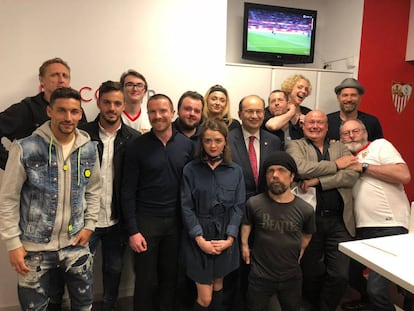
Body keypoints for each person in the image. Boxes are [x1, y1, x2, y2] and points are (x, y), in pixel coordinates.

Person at [0, 87, 101, 310]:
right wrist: (13, 243)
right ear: (49, 111)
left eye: (74, 112)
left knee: (84, 305)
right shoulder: (25, 148)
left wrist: (90, 225)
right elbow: (8, 198)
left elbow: (94, 190)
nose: (68, 117)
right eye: (61, 110)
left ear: (80, 114)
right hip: (33, 248)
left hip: (76, 243)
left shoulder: (89, 149)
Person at [121, 94, 194, 311]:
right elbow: (127, 191)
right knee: (144, 281)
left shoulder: (187, 146)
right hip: (146, 224)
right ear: (148, 114)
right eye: (152, 111)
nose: (158, 116)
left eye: (163, 111)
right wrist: (133, 231)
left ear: (172, 114)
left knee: (171, 279)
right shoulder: (136, 146)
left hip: (176, 223)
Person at [285, 110, 359, 311]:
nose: (315, 126)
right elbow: (300, 169)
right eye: (311, 122)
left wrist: (318, 180)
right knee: (311, 272)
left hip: (340, 221)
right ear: (303, 125)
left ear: (327, 127)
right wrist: (336, 165)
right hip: (310, 221)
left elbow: (352, 174)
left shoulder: (341, 146)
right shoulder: (294, 145)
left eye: (320, 122)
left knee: (340, 274)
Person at [79, 81, 140, 310]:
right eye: (107, 103)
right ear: (98, 102)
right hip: (86, 219)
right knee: (80, 269)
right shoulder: (82, 133)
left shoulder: (133, 138)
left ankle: (108, 306)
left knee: (114, 269)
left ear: (124, 105)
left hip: (116, 220)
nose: (112, 108)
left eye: (117, 103)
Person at [340, 119, 411, 311]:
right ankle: (369, 301)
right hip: (361, 229)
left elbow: (404, 175)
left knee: (377, 288)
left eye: (355, 131)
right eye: (346, 133)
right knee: (348, 274)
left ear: (365, 132)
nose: (351, 136)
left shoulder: (380, 145)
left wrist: (364, 167)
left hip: (389, 227)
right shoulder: (347, 158)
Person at [180, 118, 245, 311]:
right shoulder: (190, 169)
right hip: (198, 237)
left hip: (224, 236)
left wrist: (230, 238)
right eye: (207, 140)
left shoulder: (236, 171)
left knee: (218, 287)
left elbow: (238, 206)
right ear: (202, 142)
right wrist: (199, 239)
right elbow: (186, 206)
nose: (213, 145)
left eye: (217, 140)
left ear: (225, 141)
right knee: (205, 297)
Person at [241, 151, 316, 311]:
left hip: (291, 277)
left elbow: (308, 233)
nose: (275, 175)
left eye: (281, 170)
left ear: (292, 176)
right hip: (259, 277)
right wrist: (244, 244)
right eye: (270, 171)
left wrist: (301, 247)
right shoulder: (254, 203)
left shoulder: (306, 209)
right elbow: (247, 223)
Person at [0, 57, 87, 170]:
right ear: (41, 80)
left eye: (65, 76)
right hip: (34, 181)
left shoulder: (76, 110)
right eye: (54, 75)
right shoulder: (27, 108)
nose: (61, 80)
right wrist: (12, 164)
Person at [263, 75, 312, 143]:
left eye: (306, 89)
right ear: (290, 88)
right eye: (300, 87)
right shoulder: (274, 108)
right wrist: (291, 112)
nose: (304, 91)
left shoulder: (307, 112)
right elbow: (273, 125)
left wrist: (308, 125)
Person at [120, 69, 151, 134]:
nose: (135, 89)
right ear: (122, 89)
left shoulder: (150, 117)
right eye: (130, 84)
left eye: (139, 85)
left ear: (145, 92)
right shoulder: (114, 116)